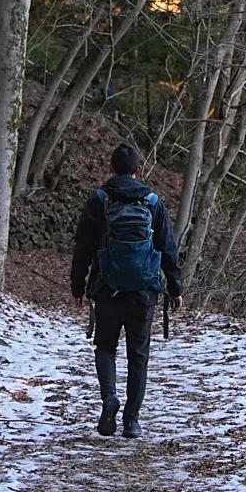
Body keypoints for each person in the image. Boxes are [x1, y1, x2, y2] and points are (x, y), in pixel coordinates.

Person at [70, 141, 182, 439]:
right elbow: (167, 247)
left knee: (106, 347)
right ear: (138, 170)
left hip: (107, 288)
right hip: (144, 291)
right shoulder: (152, 202)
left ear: (110, 168)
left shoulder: (99, 199)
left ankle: (109, 397)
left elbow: (83, 247)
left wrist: (78, 285)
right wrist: (175, 286)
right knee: (138, 355)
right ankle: (131, 420)